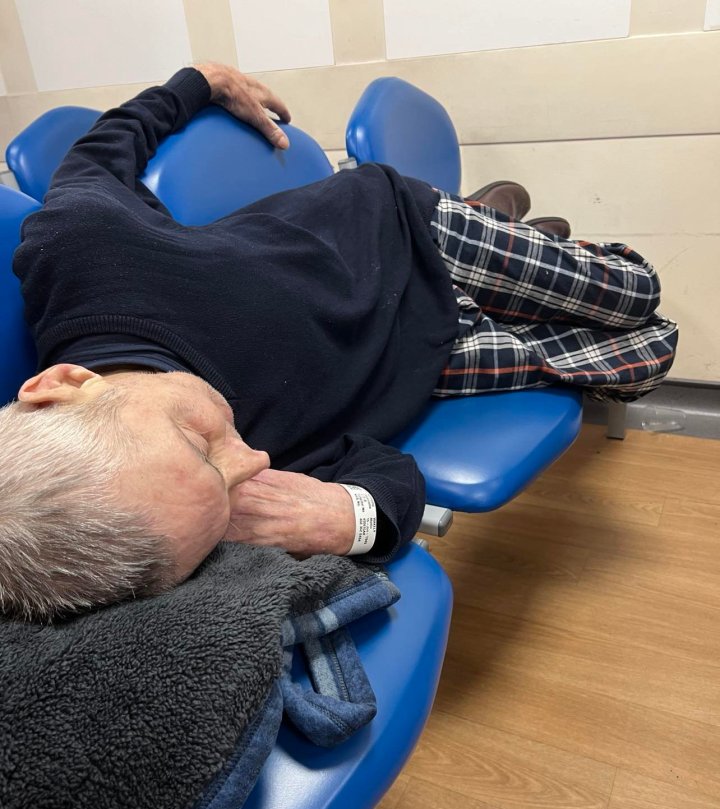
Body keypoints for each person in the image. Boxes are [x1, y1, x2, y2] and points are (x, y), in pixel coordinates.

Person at [1, 62, 678, 621]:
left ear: (62, 385)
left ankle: (488, 224)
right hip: (426, 360)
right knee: (650, 351)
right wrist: (348, 516)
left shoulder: (81, 243)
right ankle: (516, 233)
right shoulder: (215, 491)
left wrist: (203, 80)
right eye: (229, 483)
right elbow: (388, 473)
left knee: (638, 293)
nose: (253, 457)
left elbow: (105, 145)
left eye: (199, 440)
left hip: (402, 235)